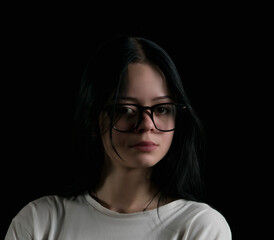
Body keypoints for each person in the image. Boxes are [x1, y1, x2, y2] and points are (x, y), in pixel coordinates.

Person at [5, 35, 232, 239]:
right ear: (93, 118)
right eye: (125, 109)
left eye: (161, 109)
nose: (146, 126)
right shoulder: (39, 222)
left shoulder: (199, 226)